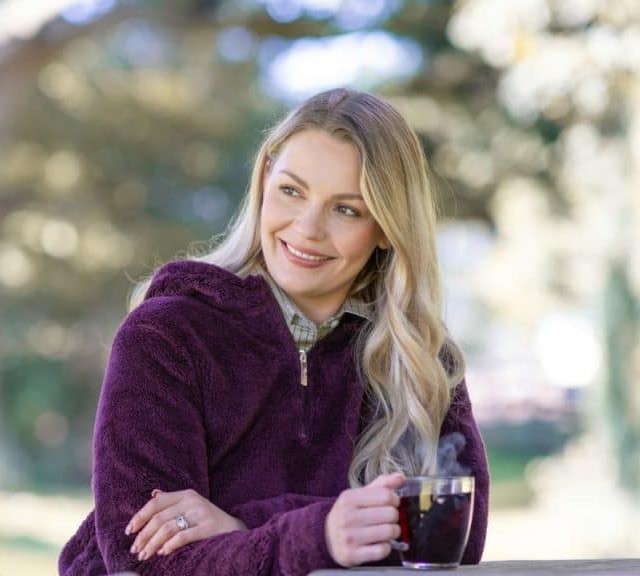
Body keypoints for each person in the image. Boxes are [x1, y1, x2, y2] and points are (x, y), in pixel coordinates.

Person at [59, 88, 489, 575]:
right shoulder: (167, 336)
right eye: (292, 190)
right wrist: (319, 533)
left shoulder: (420, 357)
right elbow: (140, 557)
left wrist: (242, 527)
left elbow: (454, 538)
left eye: (346, 209)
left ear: (387, 227)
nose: (307, 228)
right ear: (265, 181)